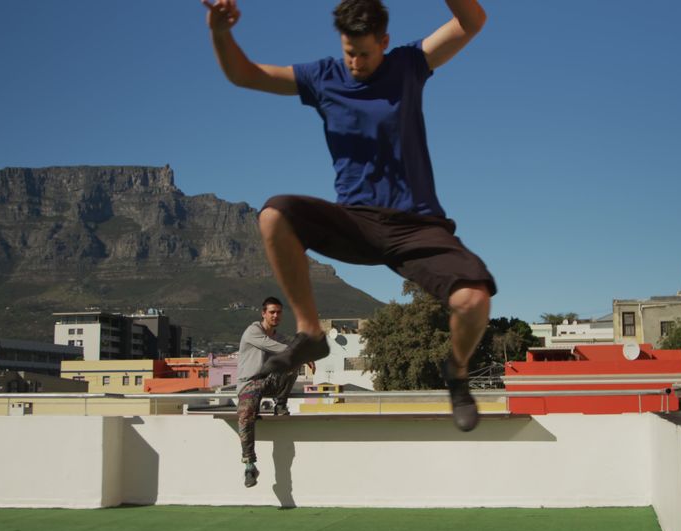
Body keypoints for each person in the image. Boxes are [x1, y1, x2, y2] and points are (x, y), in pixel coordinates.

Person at [202, 0, 495, 432]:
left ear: (385, 43)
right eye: (348, 52)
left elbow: (472, 21)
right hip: (356, 221)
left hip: (419, 226)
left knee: (473, 300)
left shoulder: (409, 64)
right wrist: (221, 32)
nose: (355, 62)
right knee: (274, 213)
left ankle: (456, 371)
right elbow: (246, 75)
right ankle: (310, 335)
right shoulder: (324, 77)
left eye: (365, 52)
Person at [235, 297, 307, 488]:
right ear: (263, 313)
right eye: (272, 312)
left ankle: (280, 403)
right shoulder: (254, 331)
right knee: (245, 416)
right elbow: (277, 347)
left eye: (279, 312)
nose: (276, 315)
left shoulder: (278, 336)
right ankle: (250, 465)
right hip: (249, 384)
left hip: (267, 383)